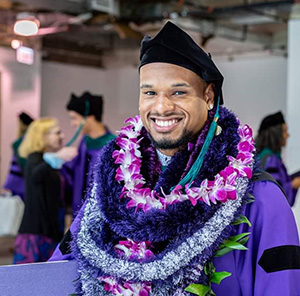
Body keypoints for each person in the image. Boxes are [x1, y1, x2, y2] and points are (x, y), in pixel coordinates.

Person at [50, 22, 300, 295]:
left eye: (178, 92)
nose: (161, 107)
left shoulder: (259, 197)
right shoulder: (110, 193)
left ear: (208, 96)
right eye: (149, 92)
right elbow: (59, 272)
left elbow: (282, 286)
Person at [46, 92, 116, 217]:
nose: (73, 124)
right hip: (80, 213)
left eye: (74, 118)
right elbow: (74, 174)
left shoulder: (113, 145)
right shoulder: (84, 142)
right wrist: (57, 162)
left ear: (89, 117)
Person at [13, 118, 66, 264]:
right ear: (42, 136)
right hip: (35, 234)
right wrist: (55, 158)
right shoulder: (34, 160)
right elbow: (35, 176)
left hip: (49, 233)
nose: (62, 136)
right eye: (57, 133)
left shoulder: (49, 164)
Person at [256, 111, 300, 206]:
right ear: (276, 134)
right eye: (284, 131)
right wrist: (293, 185)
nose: (287, 136)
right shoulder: (270, 160)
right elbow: (273, 193)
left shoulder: (264, 156)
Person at [2, 112, 34, 199]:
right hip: (21, 183)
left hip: (20, 183)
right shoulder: (28, 139)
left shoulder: (21, 142)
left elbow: (24, 165)